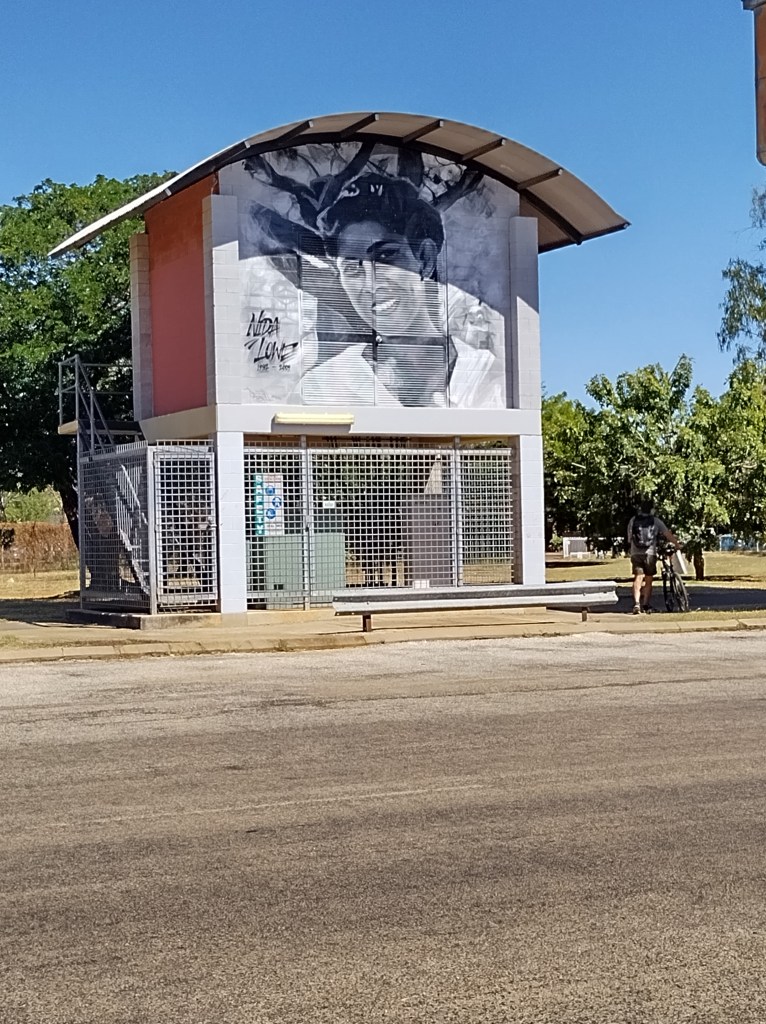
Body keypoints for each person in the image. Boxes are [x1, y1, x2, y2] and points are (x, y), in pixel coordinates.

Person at [295, 173, 503, 408]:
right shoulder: (324, 386)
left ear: (425, 258)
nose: (371, 284)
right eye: (352, 268)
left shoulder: (487, 377)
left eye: (385, 256)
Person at [627, 500, 681, 614]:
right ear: (651, 510)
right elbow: (667, 534)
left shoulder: (633, 520)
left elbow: (629, 538)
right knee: (648, 579)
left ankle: (636, 604)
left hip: (635, 553)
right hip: (650, 553)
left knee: (638, 577)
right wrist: (676, 544)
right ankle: (646, 604)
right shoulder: (655, 521)